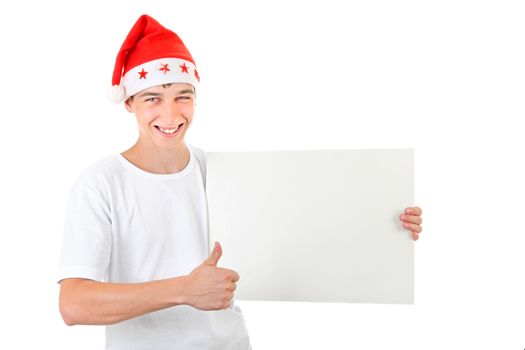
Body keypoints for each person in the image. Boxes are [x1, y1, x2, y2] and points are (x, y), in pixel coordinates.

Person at [57, 14, 423, 350]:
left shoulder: (222, 172)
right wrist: (183, 290)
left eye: (183, 97)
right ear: (129, 103)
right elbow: (73, 304)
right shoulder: (100, 184)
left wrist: (386, 223)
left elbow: (309, 221)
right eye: (153, 98)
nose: (170, 113)